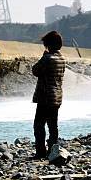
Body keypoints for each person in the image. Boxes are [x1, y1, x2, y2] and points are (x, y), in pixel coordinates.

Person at [32, 31, 66, 159]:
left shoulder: (47, 58)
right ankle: (53, 151)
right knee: (53, 125)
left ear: (49, 44)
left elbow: (35, 71)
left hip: (45, 96)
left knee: (39, 124)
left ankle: (40, 152)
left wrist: (43, 57)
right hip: (57, 96)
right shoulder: (62, 59)